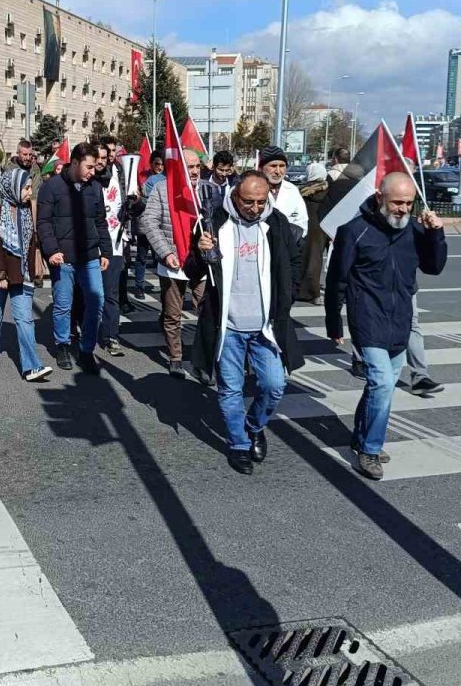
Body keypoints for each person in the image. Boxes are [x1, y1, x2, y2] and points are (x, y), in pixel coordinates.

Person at [325, 172, 447, 479]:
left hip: (400, 321)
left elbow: (434, 267)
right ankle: (369, 449)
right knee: (380, 383)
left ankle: (361, 434)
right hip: (367, 319)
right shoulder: (354, 231)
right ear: (380, 198)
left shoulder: (415, 230)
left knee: (383, 387)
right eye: (397, 202)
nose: (403, 209)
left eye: (409, 203)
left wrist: (436, 234)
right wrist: (334, 323)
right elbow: (337, 279)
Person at [187, 169, 304, 475]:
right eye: (248, 201)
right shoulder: (213, 223)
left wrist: (286, 297)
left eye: (260, 201)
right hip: (227, 327)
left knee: (274, 385)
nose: (254, 208)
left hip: (266, 327)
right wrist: (200, 254)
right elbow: (192, 272)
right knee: (230, 391)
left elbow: (294, 261)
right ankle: (238, 444)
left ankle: (254, 426)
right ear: (235, 195)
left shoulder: (276, 223)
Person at [36, 142, 111, 375]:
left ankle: (87, 349)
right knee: (63, 304)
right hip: (63, 257)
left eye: (95, 167)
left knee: (96, 300)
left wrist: (106, 251)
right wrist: (52, 250)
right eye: (89, 166)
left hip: (89, 255)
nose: (93, 171)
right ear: (76, 162)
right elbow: (44, 223)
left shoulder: (95, 187)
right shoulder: (52, 187)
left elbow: (100, 222)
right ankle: (63, 345)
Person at [0, 167, 52, 382]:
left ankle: (32, 366)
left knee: (25, 320)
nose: (29, 192)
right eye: (26, 188)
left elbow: (32, 243)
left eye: (29, 188)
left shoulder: (28, 210)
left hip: (22, 274)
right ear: (13, 187)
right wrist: (0, 275)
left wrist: (36, 270)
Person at [140, 147, 207, 378]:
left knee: (207, 311)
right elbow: (149, 222)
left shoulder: (209, 191)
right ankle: (176, 357)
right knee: (172, 314)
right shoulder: (162, 189)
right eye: (190, 167)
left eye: (198, 166)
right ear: (179, 168)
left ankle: (204, 358)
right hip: (173, 263)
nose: (196, 171)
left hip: (203, 264)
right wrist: (166, 252)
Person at [97, 138, 128, 356]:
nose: (110, 155)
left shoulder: (122, 174)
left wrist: (135, 204)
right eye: (106, 151)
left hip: (115, 242)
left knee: (111, 293)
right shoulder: (90, 177)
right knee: (90, 293)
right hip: (93, 244)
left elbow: (128, 205)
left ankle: (111, 336)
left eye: (113, 152)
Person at [296, 162, 329, 303]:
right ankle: (313, 292)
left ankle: (299, 288)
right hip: (321, 225)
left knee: (302, 257)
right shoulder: (328, 190)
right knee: (316, 259)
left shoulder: (302, 190)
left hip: (304, 224)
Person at [134, 152, 165, 297]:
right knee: (141, 256)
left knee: (159, 256)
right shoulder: (142, 178)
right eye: (156, 164)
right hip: (144, 223)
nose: (159, 167)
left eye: (161, 164)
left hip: (159, 225)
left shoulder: (164, 180)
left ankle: (164, 285)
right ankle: (139, 286)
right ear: (151, 164)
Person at [259, 147, 308, 237]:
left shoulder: (292, 190)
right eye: (273, 166)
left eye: (282, 166)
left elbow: (302, 224)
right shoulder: (252, 188)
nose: (278, 171)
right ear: (261, 168)